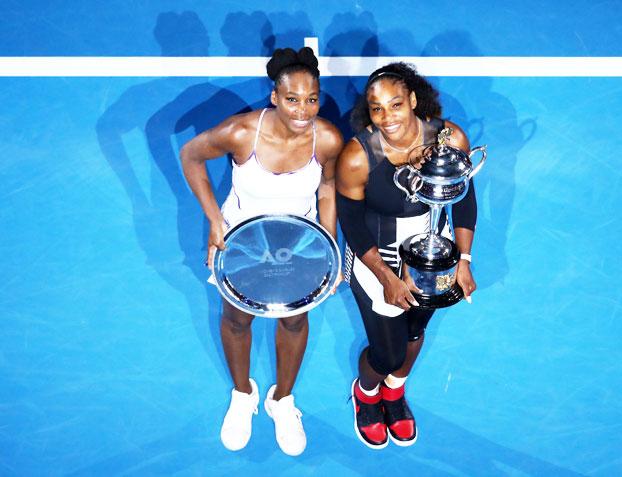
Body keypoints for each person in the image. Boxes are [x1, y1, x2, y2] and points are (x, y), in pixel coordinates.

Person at [180, 47, 343, 456]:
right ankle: (242, 394)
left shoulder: (327, 139)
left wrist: (329, 248)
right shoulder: (240, 132)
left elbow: (327, 189)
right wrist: (215, 219)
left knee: (294, 320)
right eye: (292, 99)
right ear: (274, 96)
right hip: (243, 243)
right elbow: (190, 156)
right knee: (236, 319)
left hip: (301, 244)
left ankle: (282, 400)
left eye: (311, 99)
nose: (303, 109)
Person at [336, 62, 477, 449]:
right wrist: (386, 276)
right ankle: (367, 394)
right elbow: (350, 220)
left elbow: (464, 202)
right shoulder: (357, 156)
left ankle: (394, 392)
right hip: (375, 256)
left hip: (435, 249)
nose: (387, 117)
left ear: (413, 100)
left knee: (415, 330)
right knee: (387, 351)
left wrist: (462, 260)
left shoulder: (449, 139)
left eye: (395, 104)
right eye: (377, 108)